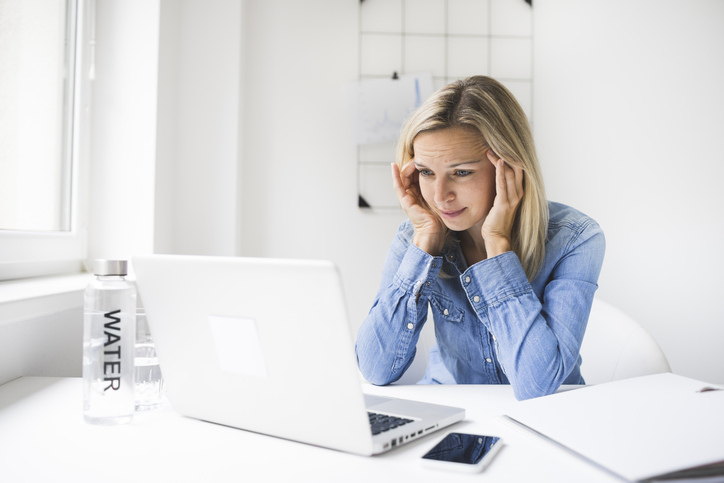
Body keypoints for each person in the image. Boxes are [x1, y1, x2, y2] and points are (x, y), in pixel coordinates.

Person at [355, 76, 605, 401]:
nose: (440, 196)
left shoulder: (575, 238)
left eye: (461, 172)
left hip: (545, 422)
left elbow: (537, 387)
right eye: (427, 172)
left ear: (512, 167)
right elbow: (375, 369)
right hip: (453, 412)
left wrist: (497, 245)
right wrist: (425, 243)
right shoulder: (415, 237)